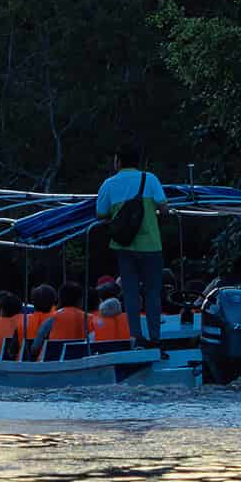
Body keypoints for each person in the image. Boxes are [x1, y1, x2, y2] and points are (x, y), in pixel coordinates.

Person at [94, 142, 168, 348]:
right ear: (138, 162)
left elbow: (100, 213)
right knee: (153, 293)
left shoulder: (109, 184)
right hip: (151, 245)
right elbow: (164, 208)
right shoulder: (150, 179)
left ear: (118, 162)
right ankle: (155, 338)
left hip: (124, 247)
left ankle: (136, 337)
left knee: (130, 293)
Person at [33, 283, 91, 359]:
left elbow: (35, 348)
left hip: (52, 362)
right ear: (80, 300)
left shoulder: (51, 319)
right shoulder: (90, 319)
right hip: (81, 361)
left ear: (60, 299)